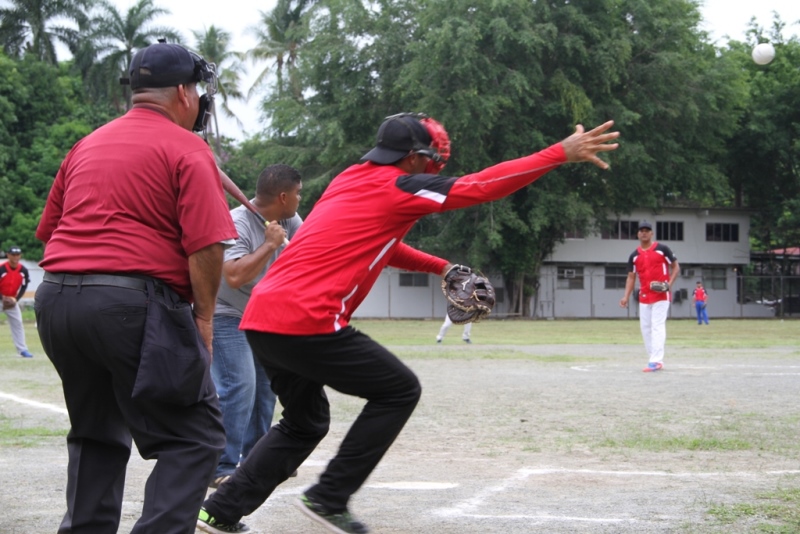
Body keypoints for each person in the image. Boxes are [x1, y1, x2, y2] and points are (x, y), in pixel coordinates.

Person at [196, 113, 619, 534]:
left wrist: (441, 267)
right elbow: (480, 186)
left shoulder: (350, 179)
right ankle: (328, 497)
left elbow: (384, 244)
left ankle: (221, 510)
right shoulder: (400, 186)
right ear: (415, 157)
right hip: (307, 317)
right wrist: (558, 153)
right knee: (399, 390)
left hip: (264, 318)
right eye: (431, 157)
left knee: (305, 422)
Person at [34, 41, 238, 534]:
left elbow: (49, 231)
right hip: (130, 302)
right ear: (185, 93)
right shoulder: (188, 147)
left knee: (96, 433)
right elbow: (207, 245)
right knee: (194, 437)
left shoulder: (87, 143)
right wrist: (203, 319)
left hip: (57, 298)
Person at [210, 164, 303, 488]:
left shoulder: (291, 220)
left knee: (265, 389)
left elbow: (305, 257)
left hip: (264, 316)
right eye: (298, 193)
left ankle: (257, 460)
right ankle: (220, 465)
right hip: (228, 313)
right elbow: (234, 276)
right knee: (240, 385)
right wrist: (269, 245)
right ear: (283, 197)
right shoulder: (237, 222)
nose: (300, 199)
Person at [619, 220, 680, 372]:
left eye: (647, 230)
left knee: (657, 325)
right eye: (641, 230)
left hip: (661, 295)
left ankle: (656, 361)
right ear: (638, 234)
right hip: (644, 295)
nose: (644, 233)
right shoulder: (634, 256)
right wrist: (626, 296)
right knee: (645, 328)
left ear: (652, 233)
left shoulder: (662, 249)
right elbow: (631, 277)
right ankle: (654, 358)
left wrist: (669, 284)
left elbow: (676, 267)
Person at [1, 246, 33, 358]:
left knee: (18, 323)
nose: (15, 257)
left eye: (17, 255)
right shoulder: (2, 268)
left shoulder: (23, 270)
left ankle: (22, 350)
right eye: (13, 255)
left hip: (12, 300)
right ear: (8, 255)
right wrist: (2, 297)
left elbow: (24, 286)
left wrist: (16, 299)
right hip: (1, 298)